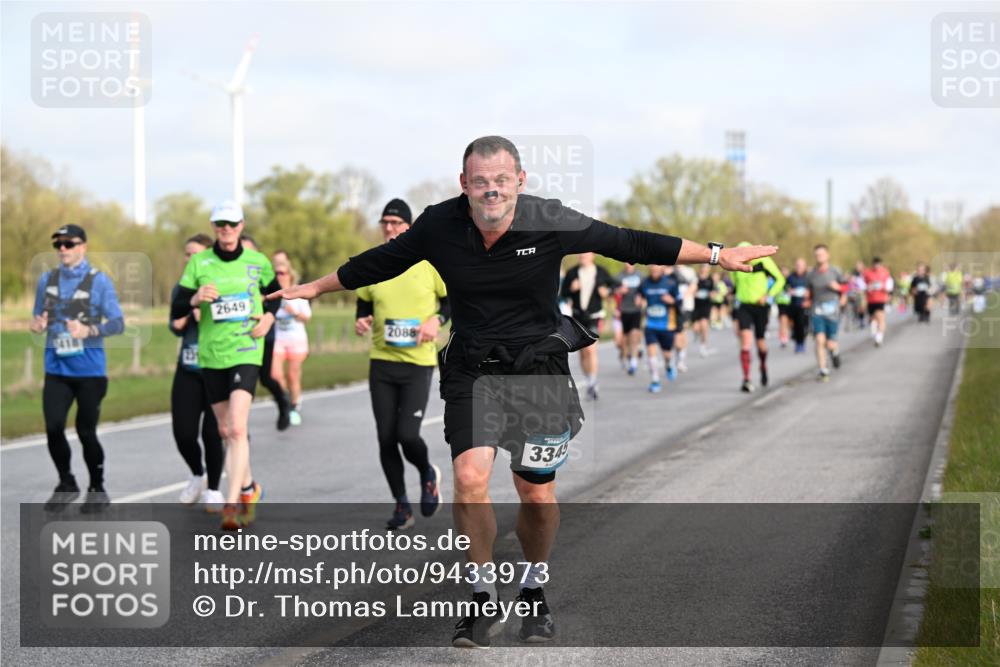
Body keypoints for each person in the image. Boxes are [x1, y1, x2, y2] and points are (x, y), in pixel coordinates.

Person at [269, 136, 776, 648]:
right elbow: (382, 261)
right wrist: (312, 288)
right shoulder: (440, 224)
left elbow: (630, 243)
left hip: (539, 368)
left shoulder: (548, 218)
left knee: (535, 493)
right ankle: (482, 591)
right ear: (464, 184)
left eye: (501, 180)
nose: (491, 190)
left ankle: (534, 585)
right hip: (472, 367)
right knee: (469, 478)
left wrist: (717, 254)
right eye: (480, 181)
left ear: (520, 181)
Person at [171, 201, 279, 531]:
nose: (226, 229)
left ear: (241, 225)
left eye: (232, 224)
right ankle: (248, 487)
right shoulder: (200, 263)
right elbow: (176, 304)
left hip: (247, 349)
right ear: (215, 226)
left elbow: (277, 294)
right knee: (224, 430)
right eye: (221, 224)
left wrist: (269, 318)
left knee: (236, 427)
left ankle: (232, 506)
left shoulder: (257, 262)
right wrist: (194, 298)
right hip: (212, 355)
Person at [355, 198, 449, 531]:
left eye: (397, 223)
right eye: (386, 223)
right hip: (381, 362)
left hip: (417, 362)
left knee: (407, 435)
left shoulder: (428, 263)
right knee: (385, 438)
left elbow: (450, 299)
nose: (391, 229)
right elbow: (362, 301)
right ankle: (401, 506)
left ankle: (426, 472)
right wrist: (362, 321)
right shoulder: (374, 263)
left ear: (409, 227)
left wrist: (437, 320)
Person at [31, 224, 125, 513]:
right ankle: (66, 482)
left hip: (90, 372)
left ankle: (97, 488)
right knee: (53, 427)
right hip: (57, 368)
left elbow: (118, 323)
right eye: (58, 244)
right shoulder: (47, 280)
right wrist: (37, 326)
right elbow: (37, 320)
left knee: (86, 431)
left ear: (82, 246)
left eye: (69, 244)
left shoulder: (100, 282)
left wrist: (89, 330)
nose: (62, 249)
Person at [170, 234, 225, 511]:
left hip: (216, 369)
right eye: (186, 254)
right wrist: (191, 304)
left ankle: (214, 489)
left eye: (194, 254)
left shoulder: (222, 285)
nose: (189, 259)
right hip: (188, 368)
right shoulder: (182, 288)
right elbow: (174, 323)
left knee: (212, 433)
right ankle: (197, 473)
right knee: (183, 432)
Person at [241, 236, 293, 430]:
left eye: (249, 251)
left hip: (263, 332)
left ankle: (283, 402)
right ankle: (239, 430)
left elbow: (276, 295)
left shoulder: (262, 271)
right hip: (235, 334)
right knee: (241, 381)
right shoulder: (229, 273)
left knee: (264, 378)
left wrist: (264, 302)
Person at [730, 241, 785, 392]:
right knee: (745, 341)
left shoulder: (763, 261)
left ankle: (763, 365)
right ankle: (746, 379)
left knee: (760, 342)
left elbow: (780, 280)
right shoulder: (734, 264)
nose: (742, 257)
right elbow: (735, 284)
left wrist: (768, 296)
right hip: (744, 306)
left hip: (760, 307)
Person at [560, 252, 614, 399]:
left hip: (595, 315)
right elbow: (563, 293)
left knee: (591, 350)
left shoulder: (601, 271)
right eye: (581, 254)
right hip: (577, 316)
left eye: (586, 254)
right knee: (582, 352)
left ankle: (593, 381)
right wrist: (571, 289)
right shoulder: (572, 273)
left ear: (593, 255)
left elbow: (614, 286)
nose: (582, 256)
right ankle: (589, 379)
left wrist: (606, 292)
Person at [271, 258, 312, 425]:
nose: (279, 276)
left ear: (289, 275)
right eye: (276, 273)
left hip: (296, 341)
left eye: (282, 273)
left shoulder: (298, 294)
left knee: (293, 375)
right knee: (274, 375)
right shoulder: (272, 295)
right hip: (278, 340)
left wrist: (293, 312)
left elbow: (307, 318)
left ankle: (295, 405)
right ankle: (285, 401)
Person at [806, 244, 847, 381]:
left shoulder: (835, 271)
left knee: (830, 343)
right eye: (817, 254)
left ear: (827, 255)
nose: (819, 257)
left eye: (821, 254)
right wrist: (806, 300)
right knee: (819, 339)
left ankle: (834, 352)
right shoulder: (811, 274)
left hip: (832, 310)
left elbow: (846, 287)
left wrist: (840, 292)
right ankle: (823, 370)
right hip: (817, 310)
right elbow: (808, 291)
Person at [638, 264, 680, 393]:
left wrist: (671, 301)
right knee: (651, 351)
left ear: (662, 269)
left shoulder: (670, 283)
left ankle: (668, 364)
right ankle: (655, 380)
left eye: (657, 268)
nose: (654, 270)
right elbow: (639, 295)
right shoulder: (645, 283)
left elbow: (679, 301)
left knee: (666, 353)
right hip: (650, 324)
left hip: (666, 325)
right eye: (652, 268)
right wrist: (639, 300)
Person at [615, 262, 644, 373]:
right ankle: (625, 356)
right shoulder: (619, 277)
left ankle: (633, 362)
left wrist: (641, 299)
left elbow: (645, 290)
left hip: (635, 310)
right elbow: (611, 293)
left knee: (634, 335)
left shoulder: (640, 276)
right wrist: (619, 291)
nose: (628, 264)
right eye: (626, 262)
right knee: (623, 340)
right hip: (622, 311)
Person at [863, 256, 893, 347]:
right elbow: (862, 285)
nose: (876, 266)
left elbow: (889, 286)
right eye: (874, 264)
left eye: (878, 264)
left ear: (881, 264)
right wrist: (868, 288)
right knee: (872, 319)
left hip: (881, 299)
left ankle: (879, 337)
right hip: (871, 299)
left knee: (880, 318)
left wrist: (886, 291)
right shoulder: (867, 273)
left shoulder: (885, 273)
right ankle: (875, 333)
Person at [785, 258, 810, 353]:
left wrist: (809, 295)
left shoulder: (808, 277)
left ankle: (801, 343)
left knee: (801, 325)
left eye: (801, 265)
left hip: (804, 305)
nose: (799, 267)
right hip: (793, 304)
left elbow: (813, 289)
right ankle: (797, 342)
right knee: (794, 326)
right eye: (797, 265)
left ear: (805, 266)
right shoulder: (791, 277)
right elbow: (785, 287)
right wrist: (789, 290)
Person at [775, 266, 793, 348]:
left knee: (789, 322)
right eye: (782, 272)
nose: (784, 273)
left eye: (785, 271)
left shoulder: (791, 280)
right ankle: (783, 338)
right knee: (783, 321)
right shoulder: (777, 281)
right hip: (781, 303)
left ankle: (788, 333)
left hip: (791, 303)